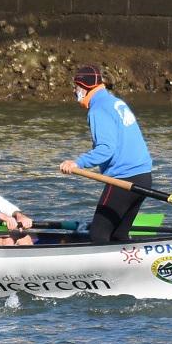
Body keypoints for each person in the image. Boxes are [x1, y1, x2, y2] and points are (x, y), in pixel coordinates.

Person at [58, 64, 156, 243]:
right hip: (144, 177)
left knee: (98, 235)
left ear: (84, 87)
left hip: (123, 180)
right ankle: (132, 267)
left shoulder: (98, 109)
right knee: (118, 235)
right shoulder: (115, 102)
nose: (74, 91)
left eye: (75, 87)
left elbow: (106, 149)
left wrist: (77, 163)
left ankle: (96, 272)